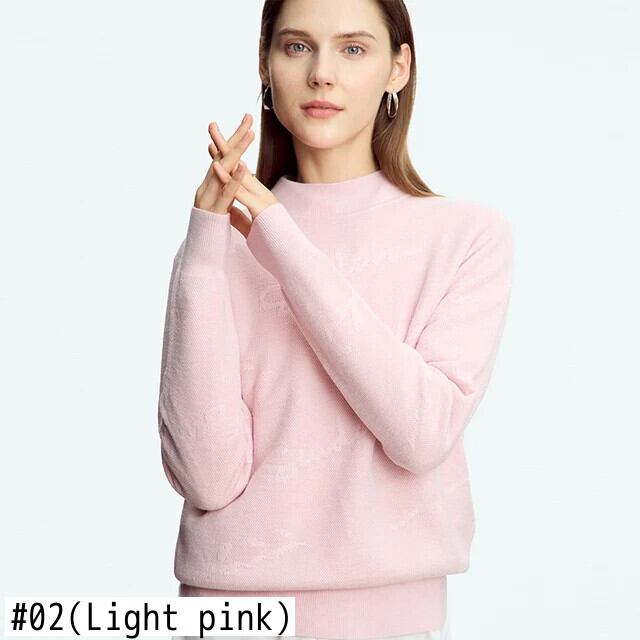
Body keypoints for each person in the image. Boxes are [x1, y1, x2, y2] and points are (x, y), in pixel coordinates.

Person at [158, 1, 514, 639]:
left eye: (353, 48)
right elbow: (207, 480)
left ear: (398, 67)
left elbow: (420, 433)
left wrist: (279, 237)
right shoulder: (214, 248)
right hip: (227, 611)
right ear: (265, 64)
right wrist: (206, 249)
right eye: (297, 46)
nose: (322, 72)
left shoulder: (463, 236)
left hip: (389, 609)